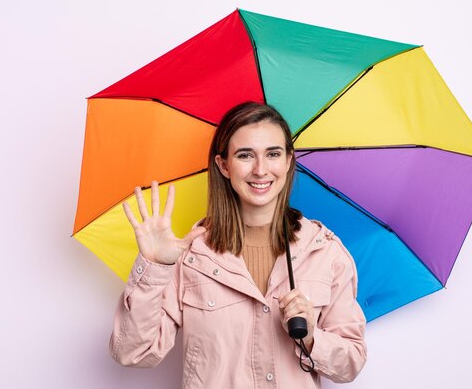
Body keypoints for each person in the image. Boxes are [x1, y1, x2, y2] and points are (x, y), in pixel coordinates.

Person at [110, 102, 367, 388]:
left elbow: (350, 364)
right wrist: (156, 266)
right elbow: (132, 353)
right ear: (223, 165)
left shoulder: (324, 252)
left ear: (288, 161)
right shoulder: (192, 257)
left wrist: (311, 338)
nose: (260, 169)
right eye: (245, 155)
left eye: (273, 154)